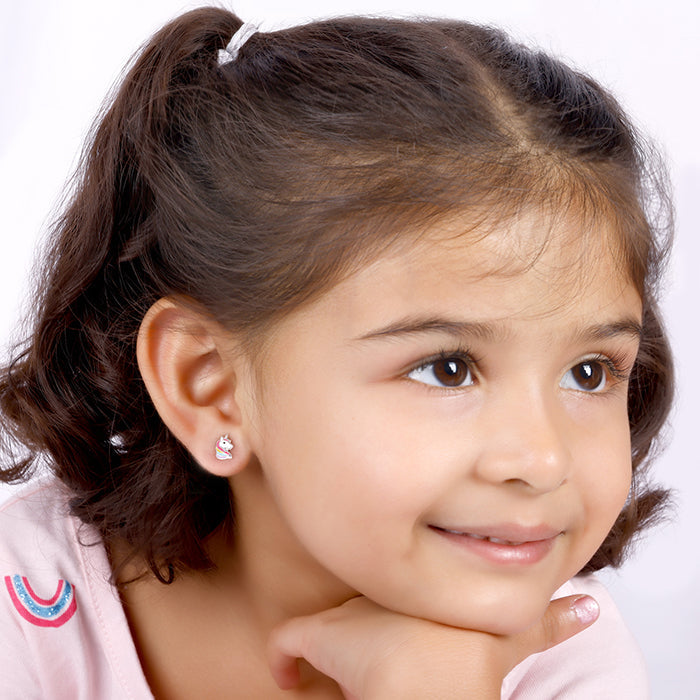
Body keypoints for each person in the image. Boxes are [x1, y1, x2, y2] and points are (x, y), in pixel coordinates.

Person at [0, 6, 673, 698]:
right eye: (447, 369)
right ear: (211, 386)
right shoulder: (24, 607)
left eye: (589, 372)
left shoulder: (566, 657)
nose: (542, 460)